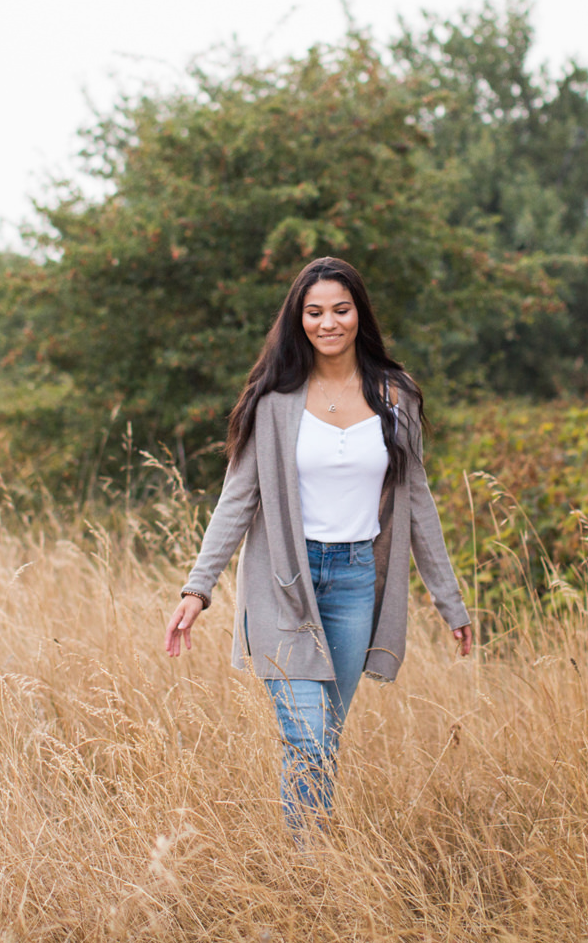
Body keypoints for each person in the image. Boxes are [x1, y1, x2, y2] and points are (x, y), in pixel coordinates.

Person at [162, 256, 473, 832]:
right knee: (306, 738)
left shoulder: (395, 396)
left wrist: (449, 600)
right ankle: (313, 873)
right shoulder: (275, 401)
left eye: (340, 309)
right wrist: (197, 589)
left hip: (357, 582)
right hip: (284, 583)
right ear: (297, 319)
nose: (328, 322)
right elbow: (238, 498)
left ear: (359, 314)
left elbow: (418, 501)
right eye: (314, 312)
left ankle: (310, 868)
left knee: (323, 738)